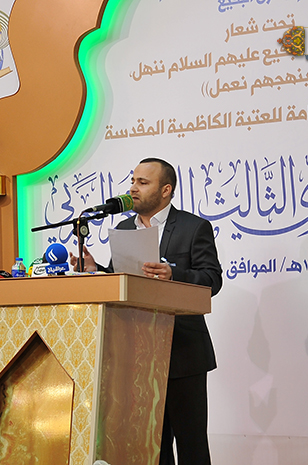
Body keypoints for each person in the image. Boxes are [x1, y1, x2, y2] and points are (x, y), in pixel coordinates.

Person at [70, 158, 222, 465]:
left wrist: (174, 274)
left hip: (183, 352)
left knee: (192, 446)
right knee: (151, 446)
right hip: (137, 355)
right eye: (133, 181)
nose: (133, 188)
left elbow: (212, 279)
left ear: (165, 190)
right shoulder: (125, 228)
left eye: (143, 182)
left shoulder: (194, 227)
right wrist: (97, 270)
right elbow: (123, 281)